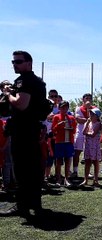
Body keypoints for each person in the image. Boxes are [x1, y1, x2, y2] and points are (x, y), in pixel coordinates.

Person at [0, 50, 48, 218]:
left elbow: (21, 104)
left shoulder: (24, 81)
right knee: (33, 168)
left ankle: (22, 206)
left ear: (29, 63)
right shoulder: (38, 82)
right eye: (13, 62)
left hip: (23, 130)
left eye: (18, 62)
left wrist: (7, 94)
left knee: (21, 169)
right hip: (33, 128)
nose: (15, 64)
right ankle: (35, 203)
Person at [51, 101, 77, 187]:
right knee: (58, 161)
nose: (64, 109)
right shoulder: (56, 117)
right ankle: (58, 179)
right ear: (59, 108)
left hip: (69, 142)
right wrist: (58, 125)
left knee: (68, 160)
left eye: (66, 107)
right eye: (62, 107)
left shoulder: (71, 118)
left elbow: (74, 130)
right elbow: (53, 130)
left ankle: (66, 179)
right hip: (59, 142)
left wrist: (70, 126)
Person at [72, 93, 96, 178]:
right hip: (80, 133)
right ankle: (75, 171)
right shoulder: (78, 108)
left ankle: (88, 172)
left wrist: (89, 109)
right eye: (86, 98)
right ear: (83, 99)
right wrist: (89, 119)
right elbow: (79, 120)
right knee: (77, 152)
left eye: (90, 98)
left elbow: (96, 120)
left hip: (90, 133)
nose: (88, 100)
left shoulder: (95, 108)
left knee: (89, 153)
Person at [80, 108, 102, 187]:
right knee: (87, 162)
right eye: (90, 114)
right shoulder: (87, 123)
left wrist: (87, 133)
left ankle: (95, 180)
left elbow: (93, 134)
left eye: (93, 114)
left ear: (97, 116)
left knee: (96, 162)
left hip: (95, 145)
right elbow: (83, 132)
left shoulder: (98, 124)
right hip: (88, 145)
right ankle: (85, 179)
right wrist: (87, 125)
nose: (91, 116)